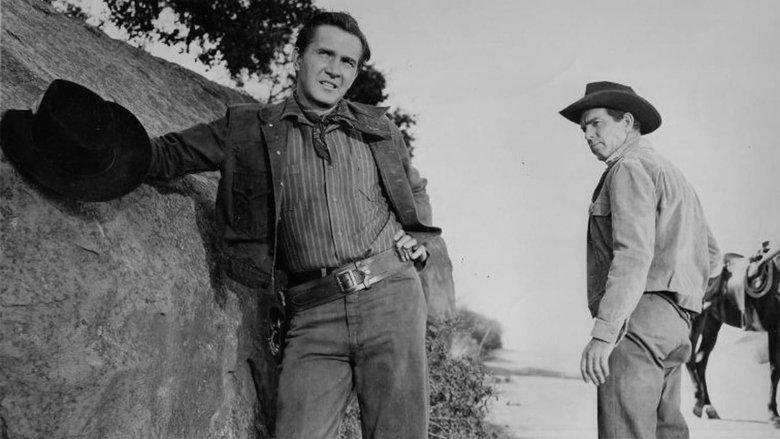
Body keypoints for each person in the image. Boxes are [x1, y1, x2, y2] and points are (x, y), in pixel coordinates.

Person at [148, 11, 438, 439]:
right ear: (299, 56)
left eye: (348, 62)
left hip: (392, 300)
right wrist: (104, 150)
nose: (335, 70)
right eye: (325, 54)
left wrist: (418, 236)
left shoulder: (378, 129)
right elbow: (170, 154)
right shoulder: (249, 128)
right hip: (312, 313)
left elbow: (414, 190)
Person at [559, 81, 721, 439]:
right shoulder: (674, 174)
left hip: (636, 321)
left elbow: (632, 254)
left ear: (628, 121)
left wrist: (605, 335)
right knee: (667, 433)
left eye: (596, 123)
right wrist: (680, 307)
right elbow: (713, 255)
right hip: (677, 325)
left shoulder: (628, 168)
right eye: (583, 129)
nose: (588, 135)